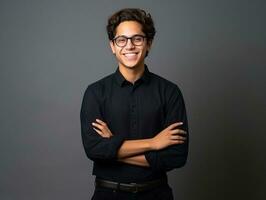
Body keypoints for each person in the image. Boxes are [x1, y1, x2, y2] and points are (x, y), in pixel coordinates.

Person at [80, 8, 189, 200]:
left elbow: (176, 156)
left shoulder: (170, 92)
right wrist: (154, 143)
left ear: (149, 44)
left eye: (137, 38)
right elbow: (94, 150)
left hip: (157, 194)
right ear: (112, 46)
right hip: (108, 195)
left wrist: (113, 146)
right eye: (121, 40)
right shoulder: (95, 92)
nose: (129, 46)